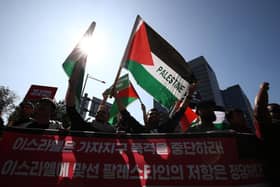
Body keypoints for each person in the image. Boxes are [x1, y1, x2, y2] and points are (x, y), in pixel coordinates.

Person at [112, 83, 196, 133]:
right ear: (147, 117)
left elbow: (180, 112)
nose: (153, 115)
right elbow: (126, 115)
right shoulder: (140, 129)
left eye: (156, 114)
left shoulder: (165, 128)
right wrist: (116, 96)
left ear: (159, 118)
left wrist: (189, 95)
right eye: (151, 114)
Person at [65, 68, 115, 133]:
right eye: (98, 112)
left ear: (108, 117)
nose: (99, 113)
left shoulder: (113, 134)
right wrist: (73, 84)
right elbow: (70, 107)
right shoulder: (83, 126)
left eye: (103, 113)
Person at [254, 82, 280, 186]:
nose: (276, 113)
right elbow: (259, 108)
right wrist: (263, 90)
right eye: (272, 111)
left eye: (279, 110)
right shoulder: (267, 127)